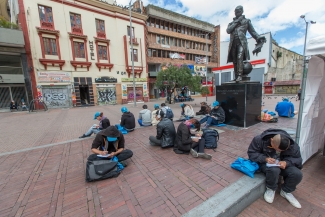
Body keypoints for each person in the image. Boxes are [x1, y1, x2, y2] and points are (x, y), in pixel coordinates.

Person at [247, 129, 303, 208]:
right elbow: (252, 153)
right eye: (277, 149)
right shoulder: (259, 139)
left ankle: (286, 191)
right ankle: (271, 188)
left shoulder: (292, 144)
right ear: (271, 140)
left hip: (284, 165)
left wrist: (286, 163)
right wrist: (265, 158)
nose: (278, 151)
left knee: (297, 174)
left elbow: (298, 159)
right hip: (266, 164)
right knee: (274, 169)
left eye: (282, 150)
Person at [226, 5, 266, 81]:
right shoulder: (231, 23)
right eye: (235, 12)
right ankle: (236, 76)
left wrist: (258, 38)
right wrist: (237, 21)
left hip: (242, 43)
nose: (237, 13)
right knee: (235, 60)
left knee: (239, 57)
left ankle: (240, 76)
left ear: (242, 12)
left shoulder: (246, 21)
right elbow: (228, 31)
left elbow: (253, 32)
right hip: (233, 43)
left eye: (238, 11)